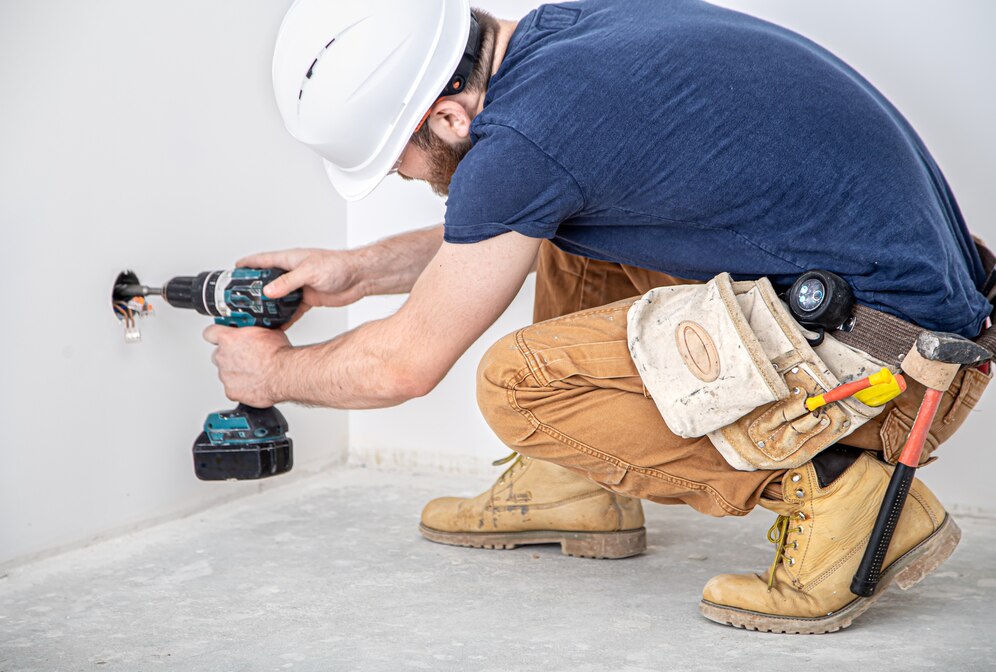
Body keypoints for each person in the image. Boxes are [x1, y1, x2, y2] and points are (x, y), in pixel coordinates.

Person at [204, 0, 993, 633]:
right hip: (925, 327)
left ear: (447, 118)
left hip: (889, 372)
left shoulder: (523, 140)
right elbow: (502, 221)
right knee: (574, 236)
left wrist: (272, 372)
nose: (406, 178)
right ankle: (571, 484)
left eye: (396, 159)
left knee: (516, 386)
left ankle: (839, 494)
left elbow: (403, 365)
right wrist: (355, 270)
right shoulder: (567, 42)